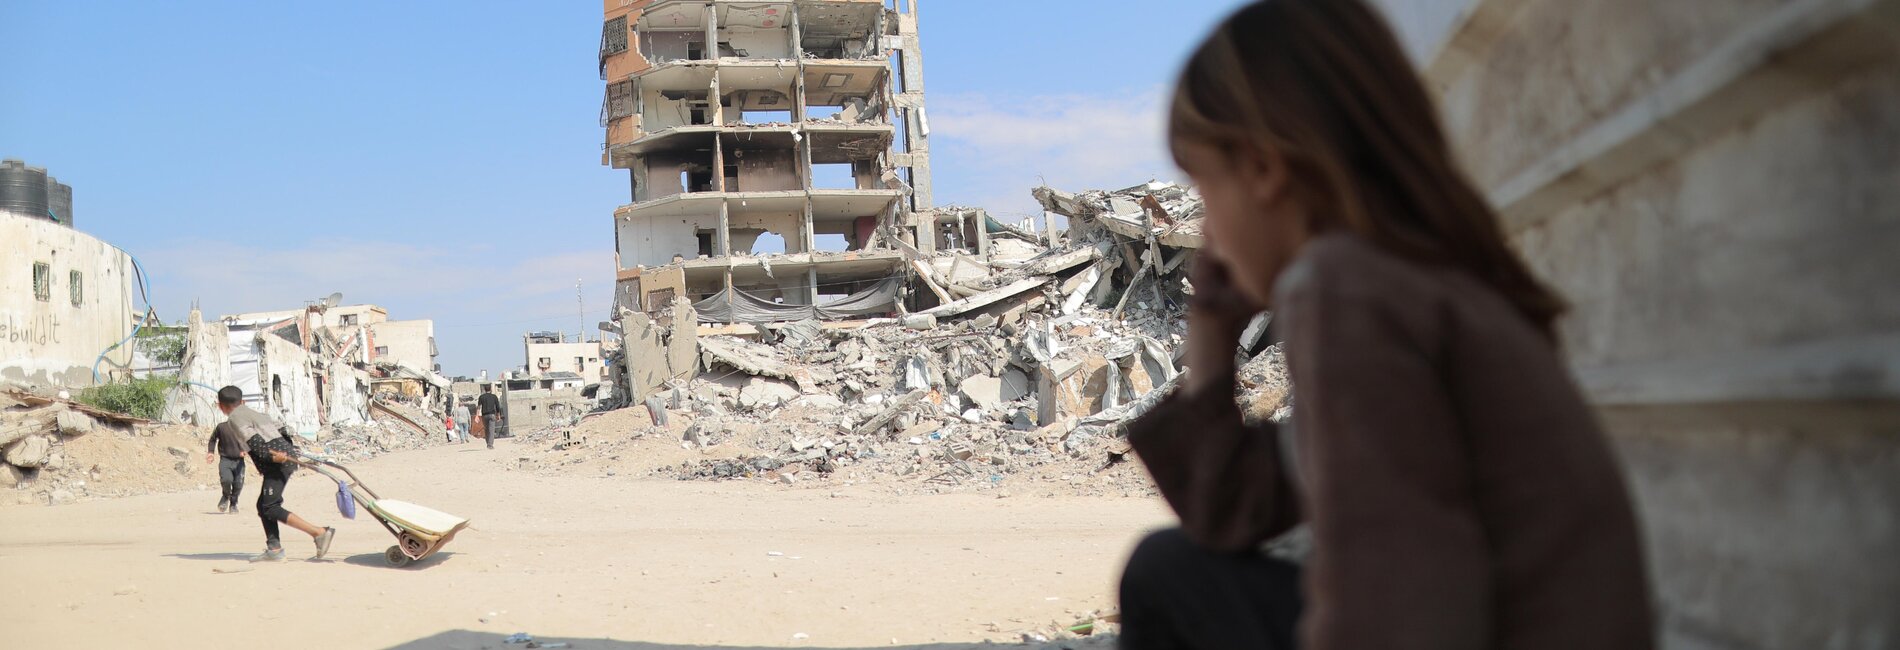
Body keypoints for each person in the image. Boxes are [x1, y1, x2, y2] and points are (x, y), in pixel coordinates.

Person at [1116, 2, 1653, 649]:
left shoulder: (1346, 289)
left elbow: (1398, 609)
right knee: (1171, 571)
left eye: (1204, 190)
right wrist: (1209, 331)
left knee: (1164, 580)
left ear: (1262, 167)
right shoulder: (1420, 281)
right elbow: (1236, 512)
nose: (1206, 231)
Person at [213, 386, 336, 563]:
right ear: (243, 402)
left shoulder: (235, 419)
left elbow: (256, 444)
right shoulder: (256, 413)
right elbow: (283, 431)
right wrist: (287, 452)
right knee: (263, 505)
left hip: (276, 463)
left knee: (270, 507)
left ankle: (318, 532)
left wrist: (273, 457)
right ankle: (274, 549)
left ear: (221, 406)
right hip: (285, 456)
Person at [203, 418, 248, 514]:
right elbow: (213, 439)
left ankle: (233, 504)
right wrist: (211, 452)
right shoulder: (221, 427)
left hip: (239, 461)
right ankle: (225, 496)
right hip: (225, 460)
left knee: (238, 484)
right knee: (226, 480)